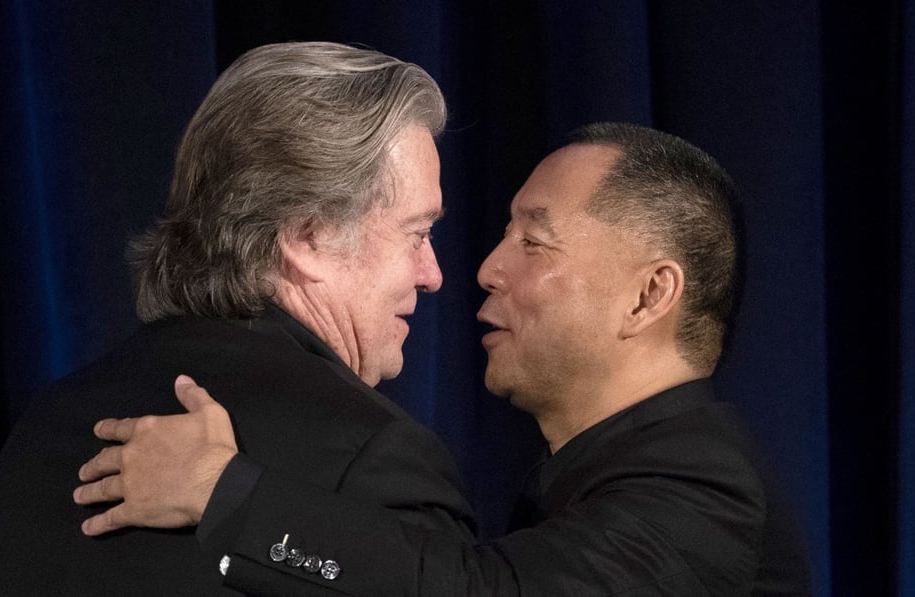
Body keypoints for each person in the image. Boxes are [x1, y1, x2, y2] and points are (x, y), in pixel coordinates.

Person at [75, 122, 812, 595]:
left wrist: (224, 492)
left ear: (649, 295)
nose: (486, 268)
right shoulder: (612, 471)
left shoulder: (706, 486)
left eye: (534, 242)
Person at [0, 41, 477, 596]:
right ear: (308, 237)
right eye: (418, 233)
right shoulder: (377, 459)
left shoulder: (42, 432)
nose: (432, 274)